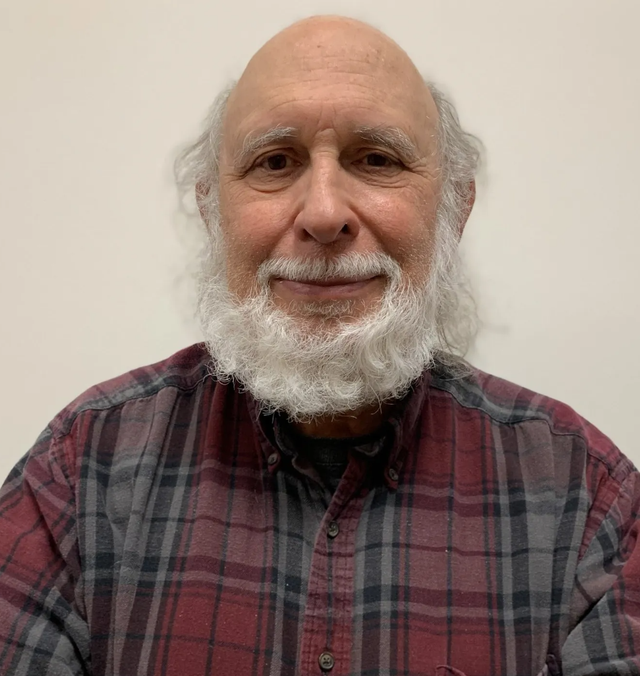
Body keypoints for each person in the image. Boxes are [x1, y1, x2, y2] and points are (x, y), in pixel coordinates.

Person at [0, 14, 638, 676]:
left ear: (455, 209)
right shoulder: (81, 474)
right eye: (275, 162)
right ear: (212, 209)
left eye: (377, 159)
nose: (325, 213)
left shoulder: (585, 501)